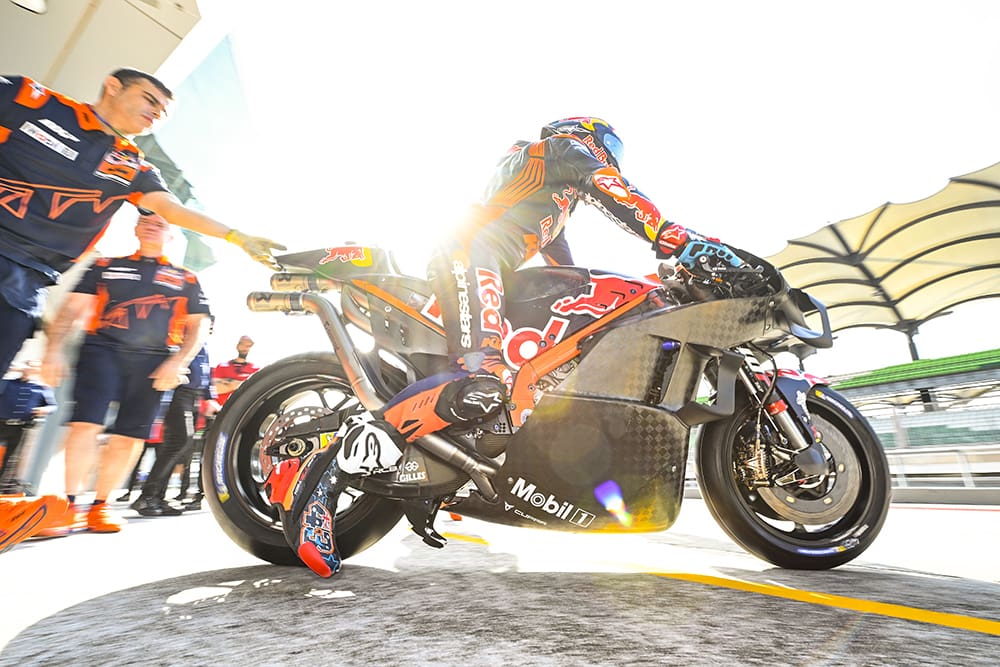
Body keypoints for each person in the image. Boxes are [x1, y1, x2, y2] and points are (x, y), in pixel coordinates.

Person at [266, 116, 746, 577]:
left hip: (484, 264)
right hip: (469, 258)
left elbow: (569, 274)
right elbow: (610, 187)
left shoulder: (553, 208)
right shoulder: (558, 150)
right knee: (480, 382)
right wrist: (678, 240)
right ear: (584, 136)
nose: (611, 158)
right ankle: (320, 481)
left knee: (511, 384)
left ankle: (447, 463)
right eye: (609, 147)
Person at [0, 67, 284, 379]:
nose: (156, 113)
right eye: (150, 100)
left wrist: (235, 236)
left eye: (163, 111)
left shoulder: (135, 167)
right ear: (113, 86)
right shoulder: (31, 99)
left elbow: (170, 209)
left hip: (28, 281)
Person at [35, 211, 211, 536]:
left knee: (131, 434)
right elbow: (71, 309)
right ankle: (70, 506)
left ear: (171, 235)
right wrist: (53, 350)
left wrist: (180, 362)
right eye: (146, 221)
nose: (152, 225)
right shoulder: (105, 266)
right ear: (135, 228)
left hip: (156, 359)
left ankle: (100, 506)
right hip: (102, 350)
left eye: (160, 223)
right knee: (85, 425)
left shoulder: (185, 277)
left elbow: (199, 325)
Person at [130, 343, 214, 516]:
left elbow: (205, 371)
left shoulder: (203, 343)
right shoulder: (187, 335)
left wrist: (209, 397)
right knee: (179, 440)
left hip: (193, 395)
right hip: (178, 390)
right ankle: (148, 497)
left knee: (179, 443)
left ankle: (156, 497)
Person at [0, 360, 56, 495]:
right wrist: (11, 370)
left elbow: (53, 406)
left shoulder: (42, 388)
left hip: (20, 428)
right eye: (28, 366)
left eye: (34, 367)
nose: (30, 369)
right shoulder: (7, 382)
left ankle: (2, 489)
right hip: (1, 423)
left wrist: (44, 410)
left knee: (11, 460)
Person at [211, 335, 260, 405]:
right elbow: (215, 389)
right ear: (237, 346)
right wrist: (244, 384)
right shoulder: (223, 366)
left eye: (248, 346)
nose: (245, 348)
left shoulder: (255, 369)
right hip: (222, 408)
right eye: (243, 344)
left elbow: (255, 391)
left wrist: (228, 382)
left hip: (243, 408)